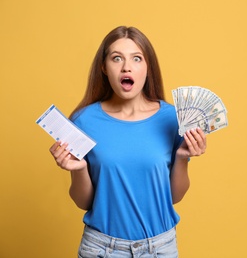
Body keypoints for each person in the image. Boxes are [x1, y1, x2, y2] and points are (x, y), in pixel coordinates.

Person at [49, 26, 207, 258]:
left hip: (160, 248)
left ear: (148, 67)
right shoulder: (84, 121)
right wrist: (80, 168)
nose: (126, 66)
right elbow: (83, 202)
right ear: (104, 67)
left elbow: (174, 197)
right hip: (101, 248)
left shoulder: (173, 119)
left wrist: (183, 158)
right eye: (116, 58)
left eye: (136, 58)